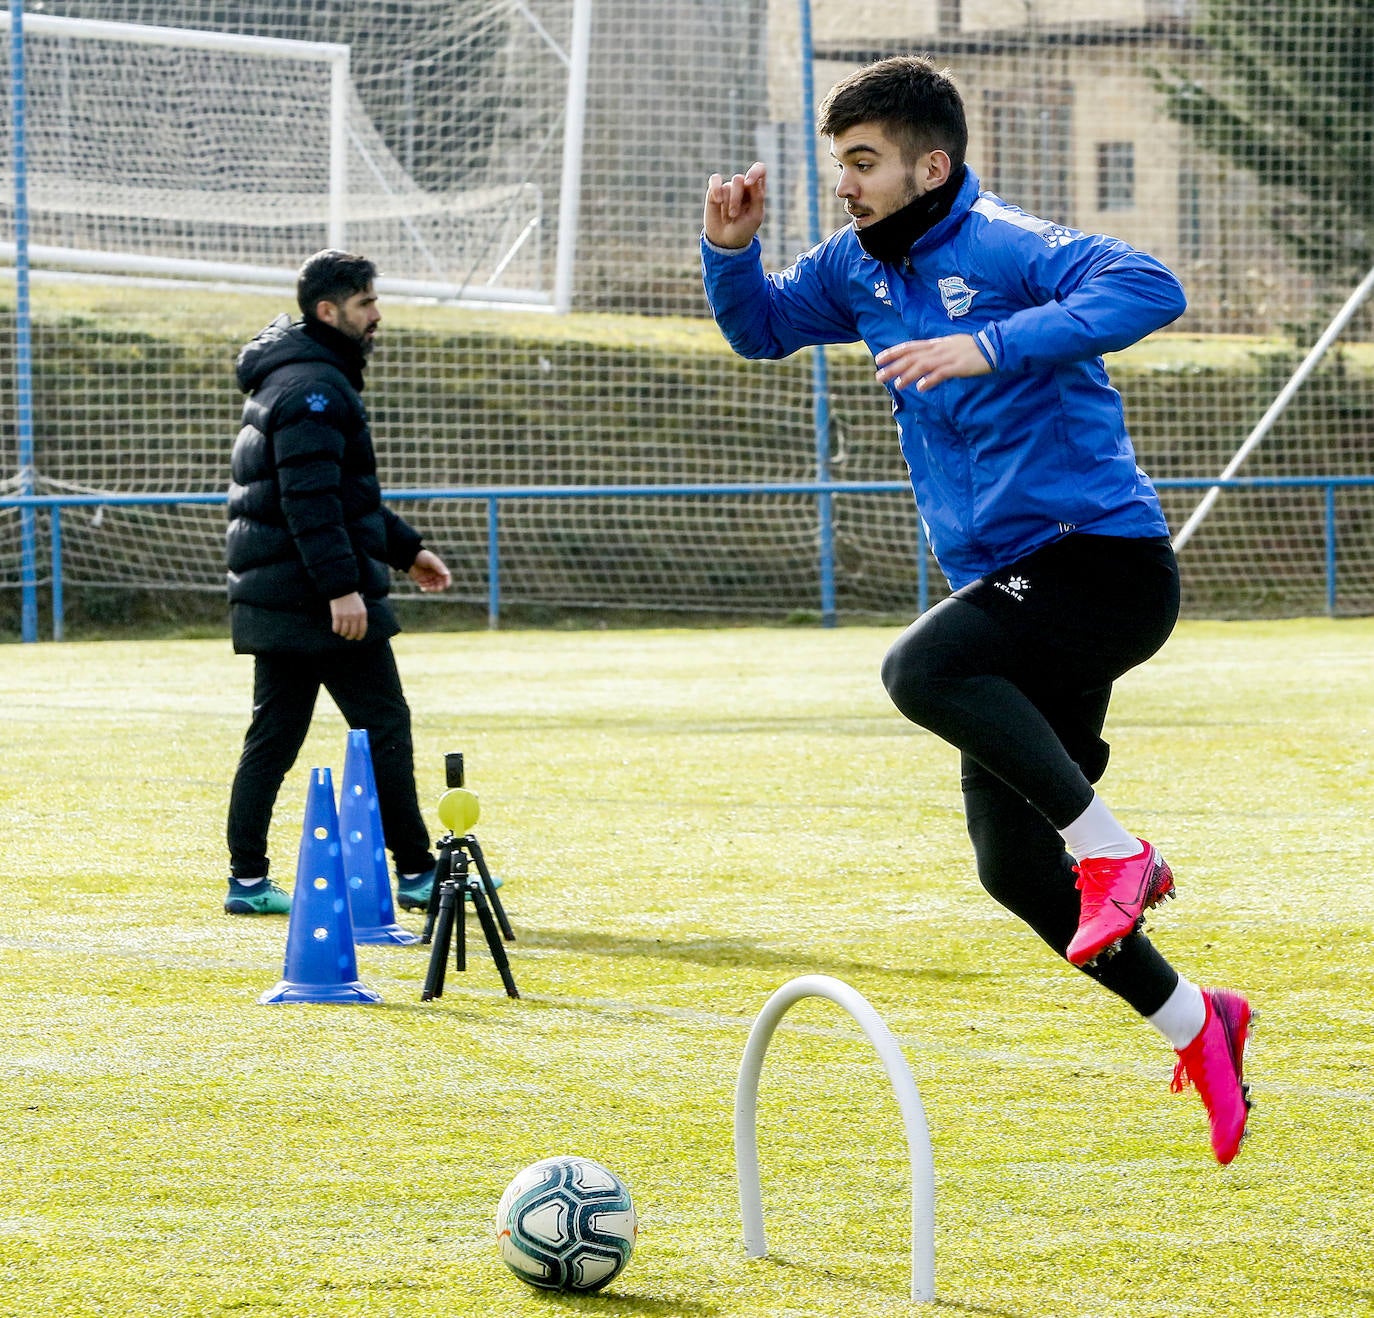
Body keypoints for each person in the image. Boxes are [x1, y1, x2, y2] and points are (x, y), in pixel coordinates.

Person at [701, 57, 1252, 1164]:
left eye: (864, 163)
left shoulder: (1002, 240)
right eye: (839, 163)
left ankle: (1115, 851)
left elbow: (1151, 287)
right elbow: (759, 328)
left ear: (930, 165)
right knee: (1010, 868)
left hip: (1101, 562)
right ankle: (1200, 1022)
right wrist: (730, 249)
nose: (845, 184)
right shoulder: (854, 269)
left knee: (920, 670)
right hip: (1014, 589)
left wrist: (989, 343)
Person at [223, 249, 451, 918]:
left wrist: (407, 552)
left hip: (286, 594)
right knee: (383, 723)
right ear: (329, 311)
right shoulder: (313, 390)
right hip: (316, 600)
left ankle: (246, 880)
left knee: (275, 735)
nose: (377, 315)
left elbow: (341, 495)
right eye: (365, 304)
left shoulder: (300, 377)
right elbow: (309, 502)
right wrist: (340, 590)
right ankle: (415, 872)